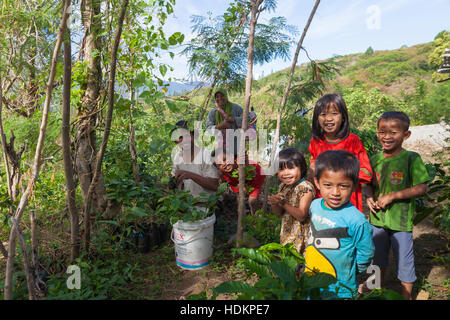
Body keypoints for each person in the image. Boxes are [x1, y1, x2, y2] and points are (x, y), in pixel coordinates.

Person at [362, 111, 430, 300]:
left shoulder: (411, 159)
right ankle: (376, 286)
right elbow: (368, 184)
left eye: (394, 132)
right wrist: (368, 197)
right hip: (377, 220)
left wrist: (393, 196)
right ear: (377, 133)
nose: (387, 137)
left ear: (405, 135)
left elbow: (421, 188)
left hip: (400, 222)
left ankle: (406, 294)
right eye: (383, 131)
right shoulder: (374, 159)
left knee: (404, 260)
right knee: (377, 256)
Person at [304, 150, 374, 299]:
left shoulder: (357, 220)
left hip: (341, 288)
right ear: (317, 183)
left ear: (355, 185)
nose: (335, 192)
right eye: (328, 185)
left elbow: (366, 251)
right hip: (311, 280)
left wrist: (354, 270)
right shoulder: (314, 205)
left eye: (343, 186)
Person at [308, 93, 373, 213]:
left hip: (349, 206)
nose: (328, 119)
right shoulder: (315, 142)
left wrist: (341, 176)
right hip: (323, 205)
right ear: (317, 118)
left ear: (343, 116)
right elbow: (313, 166)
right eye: (323, 114)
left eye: (334, 113)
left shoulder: (353, 141)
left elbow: (366, 172)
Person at [268, 148, 315, 254]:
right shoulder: (283, 186)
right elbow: (279, 213)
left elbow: (302, 216)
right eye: (281, 169)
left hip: (302, 238)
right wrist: (275, 203)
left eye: (291, 168)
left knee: (301, 265)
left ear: (302, 168)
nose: (286, 173)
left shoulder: (305, 187)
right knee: (289, 264)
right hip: (288, 236)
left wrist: (283, 203)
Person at [170, 120, 218, 208]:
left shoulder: (205, 155)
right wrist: (173, 181)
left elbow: (215, 186)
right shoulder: (178, 156)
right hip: (187, 204)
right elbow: (174, 177)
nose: (183, 140)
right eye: (179, 137)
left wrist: (190, 175)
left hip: (207, 204)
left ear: (193, 136)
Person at [212, 148, 265, 215]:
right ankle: (243, 216)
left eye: (225, 159)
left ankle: (255, 218)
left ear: (231, 156)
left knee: (252, 200)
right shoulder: (223, 173)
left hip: (256, 175)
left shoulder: (240, 162)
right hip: (237, 180)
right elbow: (222, 183)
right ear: (218, 168)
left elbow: (253, 174)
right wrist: (220, 176)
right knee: (240, 199)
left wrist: (247, 164)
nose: (224, 164)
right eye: (219, 164)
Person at [206, 87, 249, 153]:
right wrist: (219, 127)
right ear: (215, 99)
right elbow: (208, 130)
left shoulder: (235, 108)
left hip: (236, 147)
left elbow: (247, 118)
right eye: (217, 97)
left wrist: (234, 119)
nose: (220, 98)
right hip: (219, 150)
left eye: (222, 96)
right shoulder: (213, 112)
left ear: (226, 96)